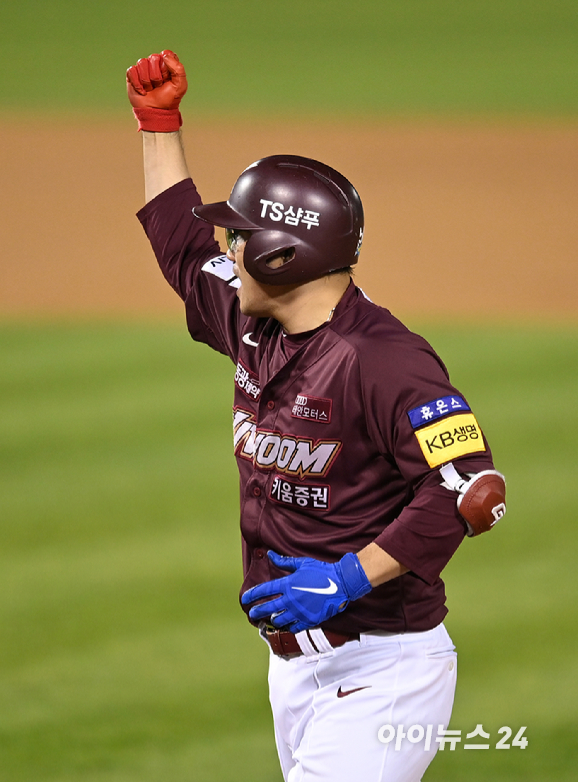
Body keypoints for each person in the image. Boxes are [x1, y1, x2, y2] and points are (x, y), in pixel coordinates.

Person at [126, 50, 506, 782]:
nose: (226, 252)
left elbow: (473, 491)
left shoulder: (387, 360)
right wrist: (158, 123)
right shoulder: (247, 322)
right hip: (293, 673)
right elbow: (179, 246)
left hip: (386, 670)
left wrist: (349, 578)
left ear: (279, 255)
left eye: (239, 238)